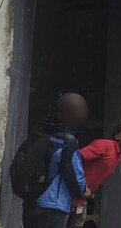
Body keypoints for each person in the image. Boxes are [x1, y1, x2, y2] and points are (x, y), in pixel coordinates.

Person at [23, 93, 89, 228]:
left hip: (32, 203)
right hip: (53, 206)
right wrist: (83, 191)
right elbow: (74, 177)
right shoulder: (68, 142)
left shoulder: (40, 137)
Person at [67, 124, 121, 228]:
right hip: (67, 198)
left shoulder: (119, 156)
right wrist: (81, 185)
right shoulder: (105, 145)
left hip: (80, 202)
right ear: (117, 136)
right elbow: (75, 159)